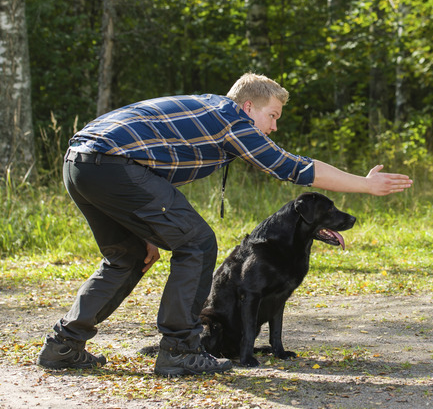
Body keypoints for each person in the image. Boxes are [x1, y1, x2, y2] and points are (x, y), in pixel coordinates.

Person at [37, 73, 413, 376]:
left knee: (128, 256)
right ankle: (181, 350)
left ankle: (63, 345)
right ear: (249, 106)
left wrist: (142, 234)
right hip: (111, 164)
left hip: (82, 163)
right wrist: (364, 184)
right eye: (273, 116)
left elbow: (147, 167)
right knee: (198, 243)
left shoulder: (205, 113)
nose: (274, 127)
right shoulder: (231, 119)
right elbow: (293, 167)